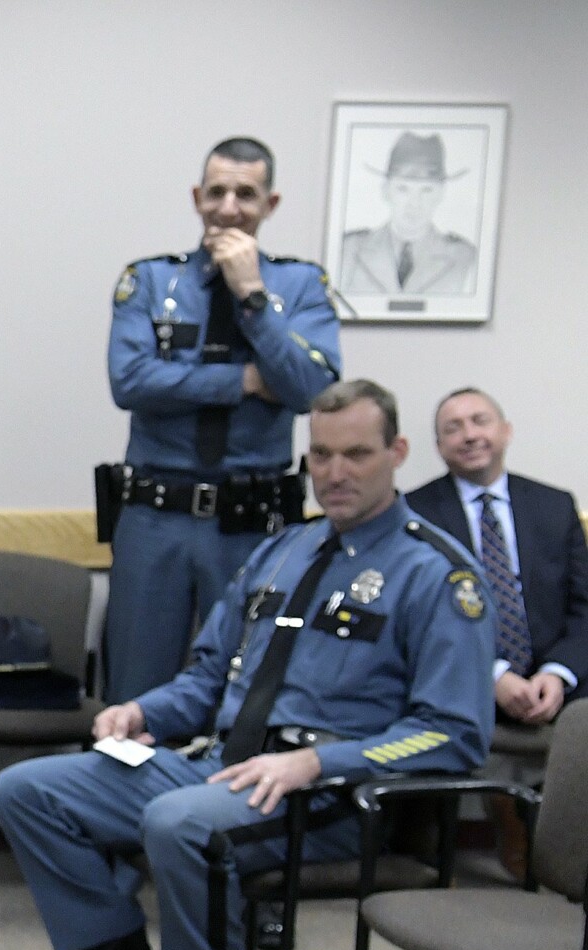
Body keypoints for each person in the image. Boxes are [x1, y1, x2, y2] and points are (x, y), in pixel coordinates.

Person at [0, 379, 493, 950]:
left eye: (357, 453)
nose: (336, 472)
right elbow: (204, 679)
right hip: (220, 762)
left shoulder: (436, 573)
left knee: (180, 823)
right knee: (27, 791)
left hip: (327, 793)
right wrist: (140, 711)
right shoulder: (282, 550)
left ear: (398, 453)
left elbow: (454, 733)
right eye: (320, 455)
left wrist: (318, 762)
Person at [104, 136, 343, 704]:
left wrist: (252, 298)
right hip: (155, 518)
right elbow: (129, 381)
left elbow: (314, 389)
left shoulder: (300, 287)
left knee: (241, 689)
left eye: (246, 194)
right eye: (217, 193)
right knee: (136, 690)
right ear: (197, 197)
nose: (230, 207)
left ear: (271, 204)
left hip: (250, 525)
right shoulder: (151, 281)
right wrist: (243, 382)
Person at [405, 387, 588, 872]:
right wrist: (495, 675)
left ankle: (561, 844)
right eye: (453, 428)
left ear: (504, 431)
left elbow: (585, 610)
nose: (469, 435)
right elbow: (419, 622)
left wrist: (556, 673)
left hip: (556, 675)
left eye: (479, 421)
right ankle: (498, 828)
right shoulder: (415, 515)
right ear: (440, 447)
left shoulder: (554, 505)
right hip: (463, 670)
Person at [337, 133, 478, 297]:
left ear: (441, 193)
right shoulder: (349, 249)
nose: (414, 203)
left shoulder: (464, 257)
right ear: (385, 190)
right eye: (403, 189)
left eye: (426, 190)